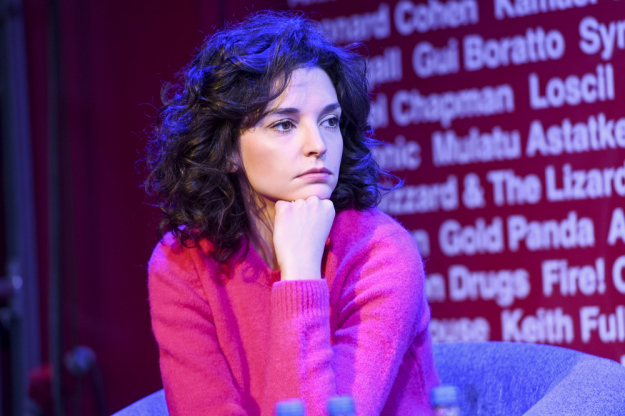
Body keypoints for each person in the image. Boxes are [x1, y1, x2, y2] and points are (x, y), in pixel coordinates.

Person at [144, 11, 439, 416]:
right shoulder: (182, 264)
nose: (318, 144)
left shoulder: (381, 254)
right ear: (228, 150)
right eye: (284, 125)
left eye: (330, 121)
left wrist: (299, 274)